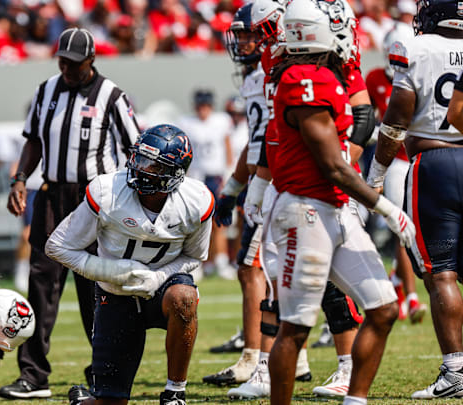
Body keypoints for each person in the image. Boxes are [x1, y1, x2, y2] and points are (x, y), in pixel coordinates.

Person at [268, 0, 414, 403]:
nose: (345, 37)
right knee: (296, 327)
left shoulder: (323, 74)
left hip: (334, 207)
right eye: (337, 29)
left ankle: (356, 399)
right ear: (313, 34)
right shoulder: (302, 78)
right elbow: (334, 165)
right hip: (304, 211)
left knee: (383, 307)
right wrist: (387, 208)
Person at [1, 27, 140, 400]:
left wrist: (125, 199)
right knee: (41, 283)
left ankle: (103, 369)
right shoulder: (46, 90)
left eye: (74, 63)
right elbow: (33, 139)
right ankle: (33, 375)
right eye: (62, 60)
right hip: (51, 194)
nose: (66, 68)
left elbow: (134, 147)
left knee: (94, 286)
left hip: (94, 198)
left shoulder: (112, 95)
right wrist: (19, 179)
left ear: (91, 61)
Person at [48, 124, 213, 405]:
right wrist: (111, 271)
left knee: (184, 298)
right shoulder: (106, 189)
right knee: (111, 402)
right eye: (140, 159)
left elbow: (194, 256)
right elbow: (58, 246)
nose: (141, 168)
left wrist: (158, 277)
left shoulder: (197, 201)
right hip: (115, 291)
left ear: (175, 173)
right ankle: (84, 401)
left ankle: (175, 393)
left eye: (154, 165)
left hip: (165, 288)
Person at [368, 0, 463, 398]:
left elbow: (398, 116)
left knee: (440, 271)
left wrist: (374, 175)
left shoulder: (415, 46)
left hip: (433, 161)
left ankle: (456, 370)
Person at [204, 2, 269, 387]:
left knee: (250, 267)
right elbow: (256, 142)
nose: (241, 41)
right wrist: (232, 189)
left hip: (277, 182)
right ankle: (292, 357)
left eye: (249, 33)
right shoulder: (257, 76)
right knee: (272, 272)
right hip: (265, 179)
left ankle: (252, 356)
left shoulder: (273, 74)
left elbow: (267, 143)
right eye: (240, 34)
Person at [364, 23, 426, 324]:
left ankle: (398, 282)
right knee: (402, 224)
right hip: (395, 161)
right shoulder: (375, 78)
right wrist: (378, 134)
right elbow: (366, 120)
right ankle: (411, 295)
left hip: (421, 155)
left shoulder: (420, 71)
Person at [177, 89, 236, 279]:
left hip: (216, 176)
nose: (203, 110)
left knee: (219, 221)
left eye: (206, 106)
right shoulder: (186, 123)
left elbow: (227, 148)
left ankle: (220, 260)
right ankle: (198, 263)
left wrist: (228, 173)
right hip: (196, 177)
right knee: (196, 222)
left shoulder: (221, 121)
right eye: (200, 106)